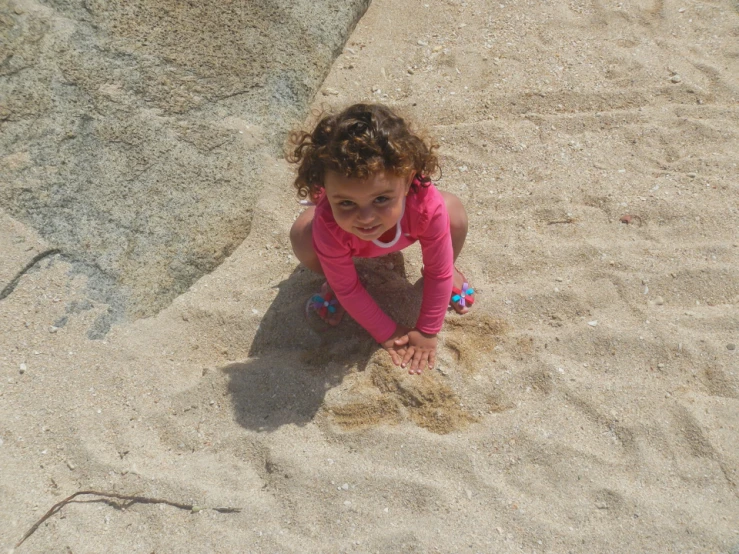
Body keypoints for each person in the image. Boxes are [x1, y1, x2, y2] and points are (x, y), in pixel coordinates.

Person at [288, 103, 474, 375]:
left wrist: (427, 330)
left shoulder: (423, 205)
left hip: (409, 226)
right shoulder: (330, 221)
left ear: (409, 179)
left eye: (381, 199)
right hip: (345, 242)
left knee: (453, 212)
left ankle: (452, 269)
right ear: (325, 188)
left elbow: (436, 272)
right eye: (347, 202)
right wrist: (387, 332)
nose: (366, 217)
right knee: (303, 234)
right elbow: (351, 292)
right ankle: (334, 276)